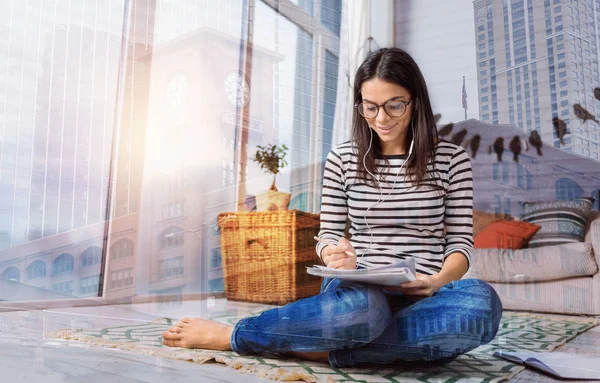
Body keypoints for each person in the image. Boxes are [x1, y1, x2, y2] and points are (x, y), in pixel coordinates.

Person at [162, 47, 503, 368]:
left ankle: (326, 349)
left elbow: (460, 242)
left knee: (480, 304)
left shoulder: (452, 159)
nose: (381, 117)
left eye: (394, 106)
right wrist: (333, 255)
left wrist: (439, 279)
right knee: (365, 311)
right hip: (359, 292)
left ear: (415, 102)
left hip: (427, 294)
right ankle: (237, 334)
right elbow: (328, 235)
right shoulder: (343, 158)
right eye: (370, 106)